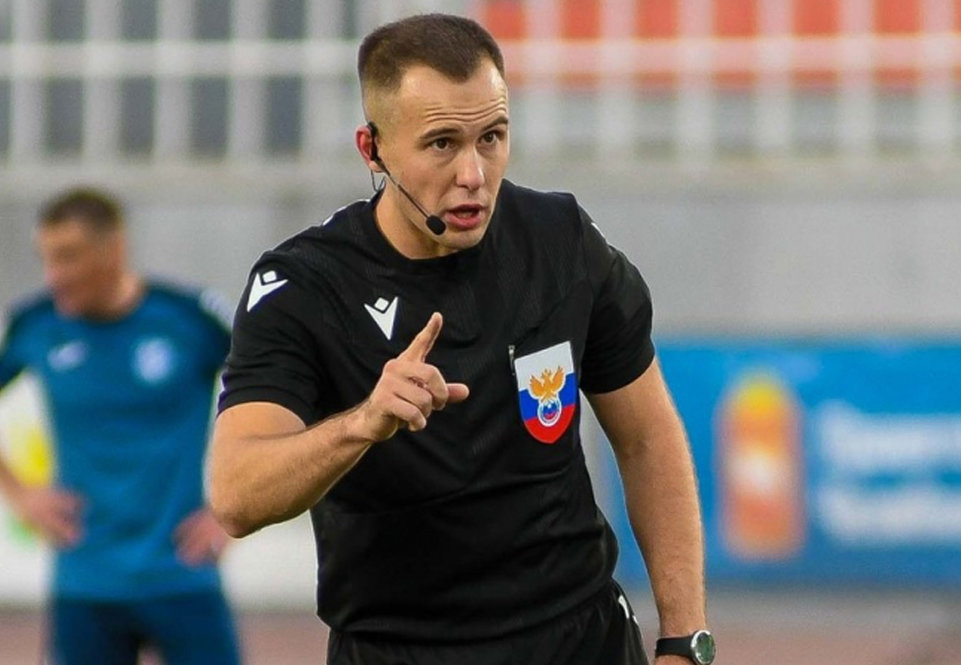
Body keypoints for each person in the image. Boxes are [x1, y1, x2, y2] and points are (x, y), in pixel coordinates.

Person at [210, 13, 712, 665]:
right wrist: (362, 423)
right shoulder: (304, 285)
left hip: (577, 639)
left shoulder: (560, 240)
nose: (473, 173)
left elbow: (647, 437)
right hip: (400, 649)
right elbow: (236, 496)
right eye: (442, 143)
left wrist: (686, 639)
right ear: (372, 149)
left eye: (491, 137)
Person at [0, 187, 242, 665]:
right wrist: (19, 495)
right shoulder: (32, 324)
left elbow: (277, 387)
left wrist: (234, 511)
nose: (54, 274)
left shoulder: (191, 317)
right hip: (85, 583)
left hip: (183, 573)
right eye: (47, 258)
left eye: (68, 256)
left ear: (114, 249)